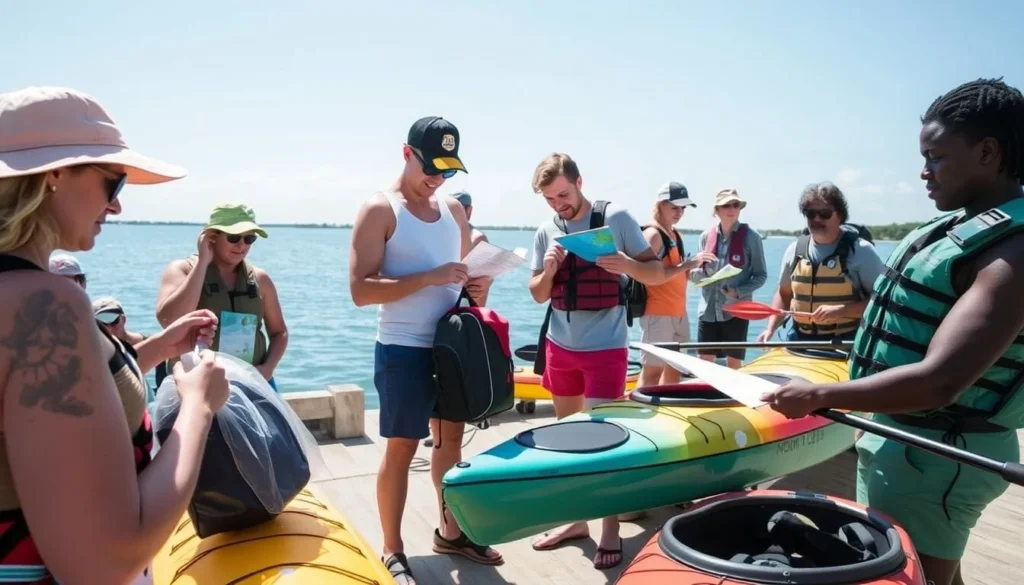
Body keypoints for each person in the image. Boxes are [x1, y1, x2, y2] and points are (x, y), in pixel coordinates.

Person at [761, 77, 1024, 585]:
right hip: (907, 442)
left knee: (915, 577)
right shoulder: (965, 227)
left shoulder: (1011, 252)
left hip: (939, 453)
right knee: (936, 575)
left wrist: (818, 393)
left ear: (988, 152)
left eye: (937, 157)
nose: (924, 173)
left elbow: (941, 381)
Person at [0, 86, 229, 584]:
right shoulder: (44, 306)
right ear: (54, 175)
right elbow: (104, 564)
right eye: (114, 183)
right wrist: (199, 405)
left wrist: (149, 353)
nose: (118, 207)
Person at [348, 115, 500, 584]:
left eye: (448, 170)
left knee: (451, 444)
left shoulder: (453, 210)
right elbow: (360, 290)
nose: (437, 178)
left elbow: (460, 282)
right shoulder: (380, 209)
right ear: (406, 153)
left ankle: (451, 532)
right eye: (431, 166)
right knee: (402, 448)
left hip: (449, 345)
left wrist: (479, 285)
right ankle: (393, 550)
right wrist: (428, 279)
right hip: (402, 347)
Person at [526, 153, 686, 570]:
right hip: (561, 346)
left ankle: (609, 527)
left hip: (606, 347)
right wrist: (547, 271)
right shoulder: (547, 230)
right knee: (566, 441)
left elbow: (655, 274)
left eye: (563, 194)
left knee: (604, 445)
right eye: (549, 199)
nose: (557, 204)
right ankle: (576, 520)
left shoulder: (615, 216)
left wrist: (626, 265)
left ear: (579, 181)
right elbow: (538, 294)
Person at [156, 203, 288, 390]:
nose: (242, 245)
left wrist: (267, 369)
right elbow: (169, 320)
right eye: (234, 237)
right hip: (197, 386)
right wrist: (203, 263)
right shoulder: (181, 270)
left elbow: (279, 333)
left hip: (254, 383)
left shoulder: (260, 279)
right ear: (212, 237)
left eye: (249, 238)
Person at [757, 182, 884, 342]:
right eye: (810, 213)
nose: (817, 218)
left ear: (840, 215)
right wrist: (770, 328)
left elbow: (882, 301)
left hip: (846, 343)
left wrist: (842, 310)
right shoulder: (794, 251)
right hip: (798, 340)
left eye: (824, 213)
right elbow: (784, 294)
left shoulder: (861, 251)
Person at [636, 181, 717, 387]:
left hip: (679, 313)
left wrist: (695, 269)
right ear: (660, 204)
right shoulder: (652, 235)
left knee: (675, 371)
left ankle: (665, 412)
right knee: (652, 373)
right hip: (657, 313)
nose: (679, 212)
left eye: (683, 208)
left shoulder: (675, 234)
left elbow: (676, 272)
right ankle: (641, 416)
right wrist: (685, 265)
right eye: (674, 207)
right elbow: (645, 276)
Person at [690, 188, 767, 368]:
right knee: (704, 362)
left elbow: (761, 275)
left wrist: (738, 291)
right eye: (726, 205)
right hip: (708, 310)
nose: (731, 208)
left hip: (737, 311)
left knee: (734, 363)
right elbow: (695, 275)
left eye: (736, 205)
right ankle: (707, 395)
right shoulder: (704, 237)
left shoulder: (752, 238)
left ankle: (732, 397)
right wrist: (698, 274)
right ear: (717, 210)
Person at [452, 190, 492, 306]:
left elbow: (484, 280)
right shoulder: (448, 233)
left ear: (469, 211)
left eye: (457, 209)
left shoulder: (477, 238)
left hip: (467, 306)